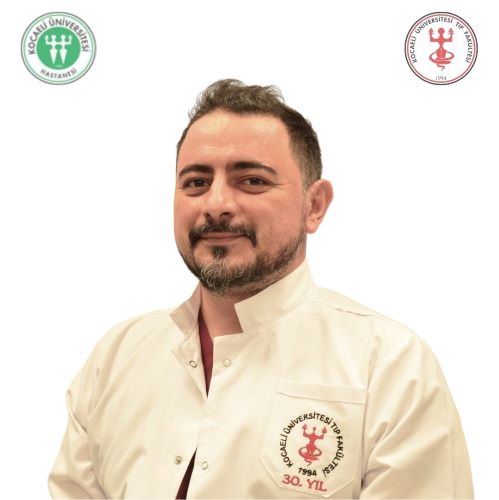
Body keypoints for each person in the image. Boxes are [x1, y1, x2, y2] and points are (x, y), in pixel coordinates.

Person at [48, 79, 473, 499]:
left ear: (314, 206)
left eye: (251, 181)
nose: (216, 204)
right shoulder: (116, 356)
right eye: (196, 182)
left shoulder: (390, 366)